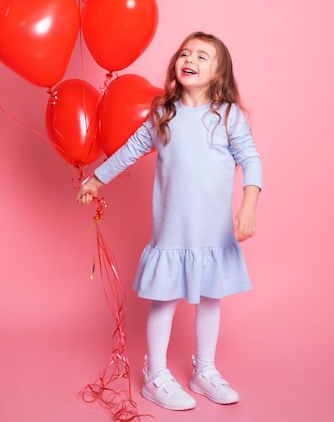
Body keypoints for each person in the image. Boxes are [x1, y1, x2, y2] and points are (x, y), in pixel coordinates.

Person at [76, 31, 262, 411]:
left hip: (213, 231)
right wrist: (95, 180)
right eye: (184, 53)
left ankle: (204, 370)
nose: (189, 59)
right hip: (173, 230)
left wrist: (248, 207)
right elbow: (129, 151)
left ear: (220, 72)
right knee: (164, 299)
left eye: (202, 56)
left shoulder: (229, 116)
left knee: (211, 297)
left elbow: (252, 160)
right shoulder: (164, 114)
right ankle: (156, 375)